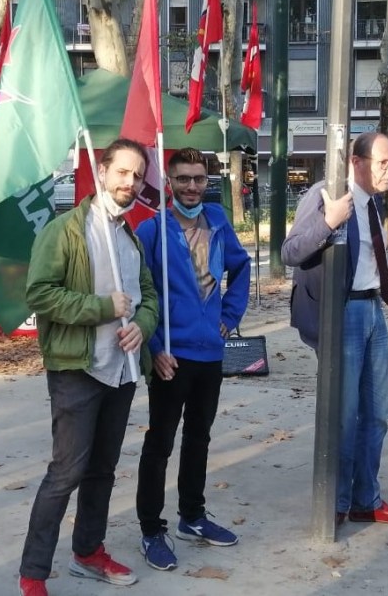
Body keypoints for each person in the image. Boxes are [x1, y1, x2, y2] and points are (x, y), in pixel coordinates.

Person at [18, 139, 159, 596]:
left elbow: (148, 297)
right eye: (122, 172)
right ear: (102, 171)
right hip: (77, 369)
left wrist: (141, 326)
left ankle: (88, 552)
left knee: (102, 470)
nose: (129, 182)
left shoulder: (130, 236)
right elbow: (40, 294)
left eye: (137, 176)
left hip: (121, 371)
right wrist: (101, 307)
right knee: (66, 473)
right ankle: (33, 574)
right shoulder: (66, 231)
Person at [281, 132, 388, 526]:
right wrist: (328, 220)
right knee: (345, 413)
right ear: (356, 162)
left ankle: (364, 500)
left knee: (378, 411)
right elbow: (290, 251)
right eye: (383, 163)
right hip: (343, 313)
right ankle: (336, 504)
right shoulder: (326, 194)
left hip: (372, 308)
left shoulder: (372, 200)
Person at [133, 149, 251, 571]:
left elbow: (241, 266)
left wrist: (229, 317)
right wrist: (154, 347)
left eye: (199, 178)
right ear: (169, 181)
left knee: (199, 437)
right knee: (160, 443)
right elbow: (139, 292)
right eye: (183, 178)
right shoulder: (152, 230)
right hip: (171, 355)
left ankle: (192, 516)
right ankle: (151, 530)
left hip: (210, 352)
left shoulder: (217, 220)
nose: (192, 186)